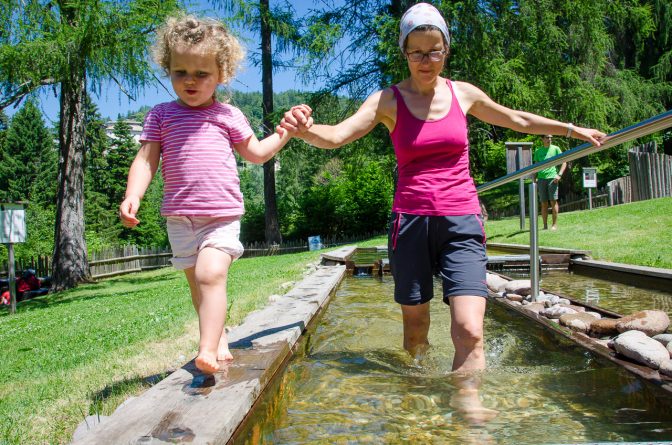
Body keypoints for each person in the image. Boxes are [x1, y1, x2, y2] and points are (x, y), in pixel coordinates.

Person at [279, 3, 604, 373]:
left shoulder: (463, 94)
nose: (426, 60)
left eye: (434, 50)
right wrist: (304, 130)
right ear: (404, 52)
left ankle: (467, 424)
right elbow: (337, 135)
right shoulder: (388, 100)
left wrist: (569, 129)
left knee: (469, 330)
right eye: (416, 51)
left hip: (461, 220)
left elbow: (516, 118)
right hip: (411, 222)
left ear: (446, 50)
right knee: (416, 331)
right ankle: (420, 410)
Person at [119, 14, 312, 374]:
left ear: (221, 74)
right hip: (179, 217)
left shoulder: (227, 115)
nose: (190, 81)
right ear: (168, 69)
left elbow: (256, 153)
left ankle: (205, 349)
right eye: (181, 72)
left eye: (201, 73)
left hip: (221, 215)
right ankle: (218, 337)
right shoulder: (161, 116)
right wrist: (134, 195)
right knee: (197, 283)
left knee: (210, 275)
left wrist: (286, 132)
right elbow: (146, 159)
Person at [534, 135, 567, 230]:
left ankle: (554, 225)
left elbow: (564, 161)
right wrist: (534, 178)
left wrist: (559, 175)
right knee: (543, 203)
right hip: (541, 179)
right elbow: (536, 166)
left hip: (552, 178)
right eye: (547, 137)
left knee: (553, 201)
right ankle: (544, 226)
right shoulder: (538, 151)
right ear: (542, 139)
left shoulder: (556, 149)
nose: (549, 139)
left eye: (550, 137)